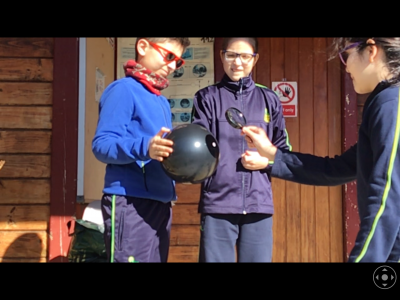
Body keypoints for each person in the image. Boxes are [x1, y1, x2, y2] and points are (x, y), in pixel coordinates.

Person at [241, 37, 400, 263]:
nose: (345, 68)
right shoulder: (383, 101)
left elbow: (387, 195)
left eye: (346, 56)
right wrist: (273, 154)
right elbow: (338, 169)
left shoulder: (391, 103)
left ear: (371, 51)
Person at [191, 37, 292, 262]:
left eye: (245, 56)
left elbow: (284, 149)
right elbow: (198, 151)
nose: (238, 62)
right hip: (218, 203)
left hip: (259, 204)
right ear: (221, 56)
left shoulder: (269, 99)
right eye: (231, 55)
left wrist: (266, 162)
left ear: (254, 60)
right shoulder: (206, 98)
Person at [92, 37, 191, 263]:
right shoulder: (123, 90)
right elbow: (101, 145)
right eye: (169, 56)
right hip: (130, 201)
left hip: (161, 202)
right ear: (143, 46)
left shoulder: (161, 101)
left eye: (179, 62)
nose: (173, 66)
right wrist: (145, 147)